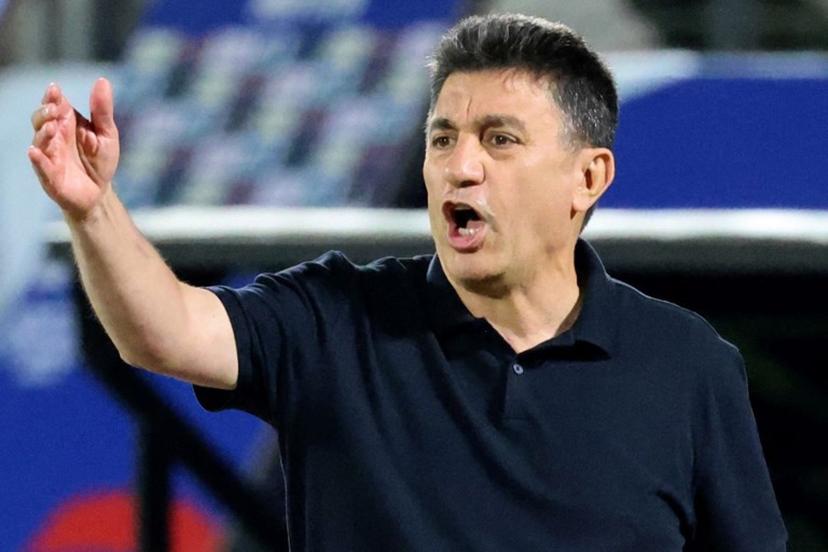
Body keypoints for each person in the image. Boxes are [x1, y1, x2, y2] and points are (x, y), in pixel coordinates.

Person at [29, 13, 787, 551]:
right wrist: (94, 212)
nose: (461, 165)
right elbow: (167, 331)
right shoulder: (335, 317)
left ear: (587, 178)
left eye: (500, 140)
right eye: (443, 138)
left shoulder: (687, 365)